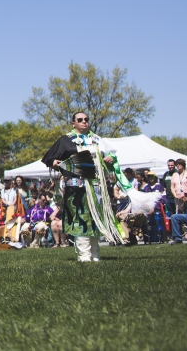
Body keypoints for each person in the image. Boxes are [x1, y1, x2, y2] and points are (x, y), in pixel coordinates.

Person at [41, 111, 127, 262]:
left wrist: (109, 158)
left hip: (96, 187)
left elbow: (112, 156)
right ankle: (84, 255)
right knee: (81, 219)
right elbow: (50, 157)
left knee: (95, 219)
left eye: (86, 119)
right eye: (80, 120)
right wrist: (55, 162)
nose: (84, 122)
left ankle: (95, 254)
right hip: (77, 188)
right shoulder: (66, 141)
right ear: (73, 123)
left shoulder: (96, 140)